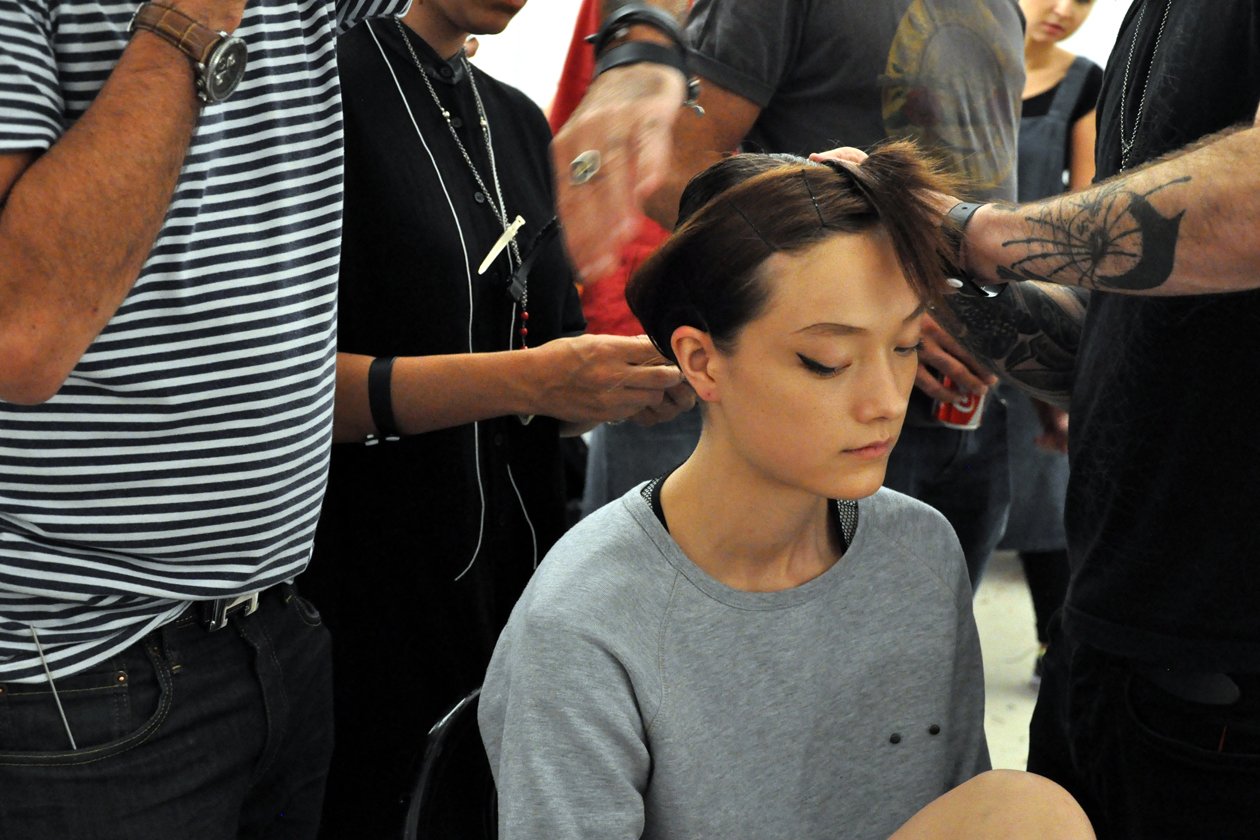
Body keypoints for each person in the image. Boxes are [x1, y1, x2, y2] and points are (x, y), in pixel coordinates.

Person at [479, 148, 1095, 840]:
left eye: (904, 347)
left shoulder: (918, 550)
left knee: (1027, 813)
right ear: (701, 361)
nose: (885, 401)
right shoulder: (586, 623)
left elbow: (953, 800)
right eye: (826, 362)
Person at [0, 0, 406, 834]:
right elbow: (22, 337)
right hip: (74, 675)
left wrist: (638, 45)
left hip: (272, 623)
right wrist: (194, 18)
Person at [300, 1, 693, 836]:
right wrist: (532, 381)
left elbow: (539, 368)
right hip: (356, 596)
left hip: (508, 593)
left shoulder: (511, 118)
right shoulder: (318, 88)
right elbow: (273, 389)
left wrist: (610, 388)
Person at [931, 2, 1260, 833]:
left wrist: (980, 234)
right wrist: (933, 272)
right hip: (1112, 623)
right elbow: (1123, 334)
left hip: (1222, 662)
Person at [620, 0, 1026, 586]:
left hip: (975, 397)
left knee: (931, 622)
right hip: (823, 410)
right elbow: (672, 169)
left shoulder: (1005, 9)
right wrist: (887, 314)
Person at [1003, 0, 1101, 685]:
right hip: (938, 293)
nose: (1064, 9)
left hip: (1037, 297)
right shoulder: (954, 65)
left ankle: (1055, 644)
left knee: (1044, 481)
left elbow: (1089, 208)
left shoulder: (1085, 82)